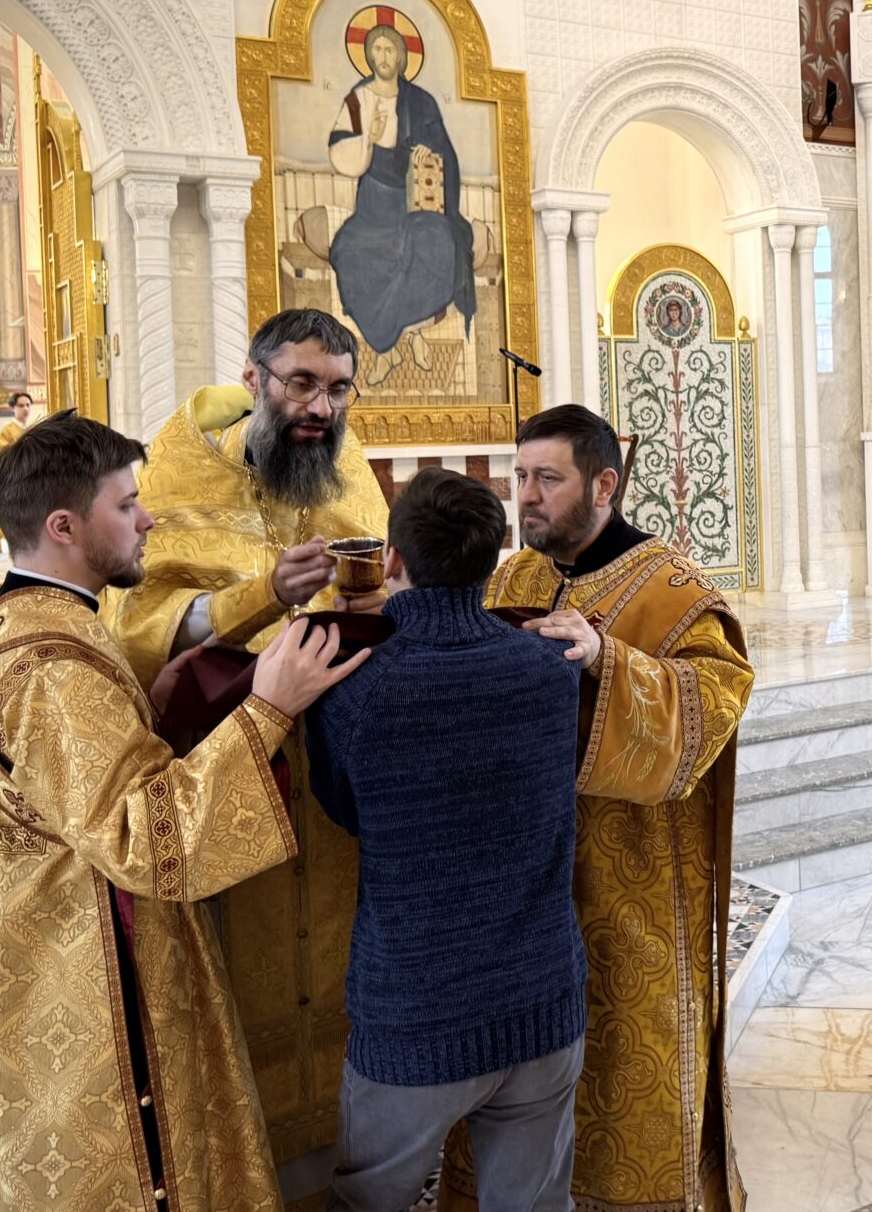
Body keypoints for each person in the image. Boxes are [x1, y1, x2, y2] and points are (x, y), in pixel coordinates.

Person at [0, 410, 365, 1212]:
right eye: (127, 504)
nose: (147, 521)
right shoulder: (53, 666)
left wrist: (153, 711)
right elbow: (144, 837)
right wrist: (271, 708)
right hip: (81, 967)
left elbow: (67, 788)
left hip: (35, 942)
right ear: (65, 526)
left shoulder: (28, 618)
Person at [438, 405, 755, 1212]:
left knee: (624, 1061)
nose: (526, 495)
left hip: (630, 893)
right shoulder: (514, 578)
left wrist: (607, 658)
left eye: (548, 479)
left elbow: (715, 703)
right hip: (521, 888)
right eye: (521, 477)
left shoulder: (675, 593)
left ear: (604, 485)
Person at [103, 307, 390, 1183]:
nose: (320, 408)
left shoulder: (347, 465)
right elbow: (135, 621)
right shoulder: (180, 463)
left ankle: (348, 1155)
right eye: (301, 383)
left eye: (338, 389)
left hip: (334, 775)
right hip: (230, 771)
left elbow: (384, 578)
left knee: (338, 964)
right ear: (254, 379)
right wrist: (256, 595)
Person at [307, 468, 587, 1212]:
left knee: (369, 1204)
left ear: (392, 559)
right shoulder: (551, 670)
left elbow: (344, 809)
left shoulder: (358, 689)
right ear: (497, 556)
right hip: (541, 1000)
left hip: (416, 1017)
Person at [327, 22, 476, 356]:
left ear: (401, 56)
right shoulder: (358, 99)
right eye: (377, 49)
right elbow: (341, 152)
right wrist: (368, 138)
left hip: (414, 205)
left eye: (390, 49)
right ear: (368, 55)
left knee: (438, 246)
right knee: (348, 250)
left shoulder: (421, 102)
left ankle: (406, 330)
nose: (383, 57)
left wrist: (429, 149)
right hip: (374, 204)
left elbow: (444, 153)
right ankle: (390, 340)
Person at [0, 390, 35, 461]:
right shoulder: (6, 430)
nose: (26, 408)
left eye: (28, 405)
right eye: (21, 406)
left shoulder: (34, 428)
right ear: (12, 408)